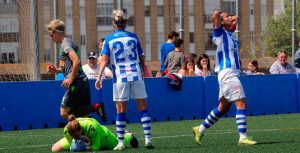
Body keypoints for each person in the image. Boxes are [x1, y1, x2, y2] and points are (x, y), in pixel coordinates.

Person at [192, 11, 257, 145]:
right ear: (221, 22)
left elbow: (237, 18)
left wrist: (230, 19)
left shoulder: (229, 33)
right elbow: (215, 14)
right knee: (241, 102)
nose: (230, 18)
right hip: (228, 73)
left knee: (223, 108)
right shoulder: (219, 33)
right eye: (226, 17)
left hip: (228, 74)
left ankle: (200, 129)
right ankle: (243, 137)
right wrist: (223, 19)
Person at [95, 10, 154, 150]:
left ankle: (121, 142)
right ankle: (148, 139)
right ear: (126, 23)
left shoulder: (109, 39)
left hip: (120, 77)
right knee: (143, 107)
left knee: (121, 109)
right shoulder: (133, 37)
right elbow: (141, 57)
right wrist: (144, 70)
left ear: (113, 24)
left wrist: (99, 77)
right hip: (136, 74)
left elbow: (104, 60)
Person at [46, 19, 106, 122]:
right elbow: (70, 67)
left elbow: (77, 62)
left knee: (64, 113)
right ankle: (88, 130)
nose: (51, 38)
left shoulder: (65, 45)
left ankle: (95, 108)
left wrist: (70, 79)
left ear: (58, 33)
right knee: (83, 115)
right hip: (82, 81)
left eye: (52, 35)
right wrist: (56, 70)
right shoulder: (69, 42)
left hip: (76, 82)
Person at [51, 115, 138, 152]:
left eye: (76, 136)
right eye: (73, 136)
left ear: (80, 130)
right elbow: (72, 147)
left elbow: (96, 147)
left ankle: (128, 135)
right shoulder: (66, 130)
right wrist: (76, 144)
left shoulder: (92, 128)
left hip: (103, 136)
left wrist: (84, 147)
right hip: (85, 136)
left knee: (116, 145)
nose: (75, 138)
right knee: (54, 149)